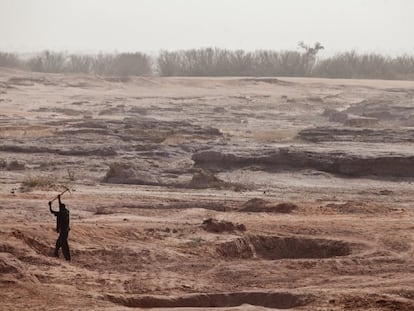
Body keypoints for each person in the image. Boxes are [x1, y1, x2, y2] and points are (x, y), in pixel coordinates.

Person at [49, 195, 71, 261]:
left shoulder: (61, 213)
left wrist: (50, 206)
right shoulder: (66, 211)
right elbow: (60, 206)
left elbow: (52, 211)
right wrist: (59, 199)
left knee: (63, 244)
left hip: (64, 231)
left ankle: (67, 257)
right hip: (65, 230)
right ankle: (56, 253)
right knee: (59, 242)